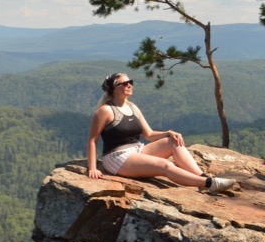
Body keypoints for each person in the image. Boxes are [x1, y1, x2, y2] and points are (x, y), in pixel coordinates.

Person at [86, 72, 237, 194]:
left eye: (130, 82)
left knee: (173, 142)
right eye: (124, 83)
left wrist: (168, 133)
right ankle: (210, 184)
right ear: (113, 88)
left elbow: (149, 135)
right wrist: (93, 168)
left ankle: (202, 177)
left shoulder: (133, 107)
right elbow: (93, 140)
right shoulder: (105, 111)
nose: (129, 85)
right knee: (164, 165)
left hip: (137, 150)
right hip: (117, 157)